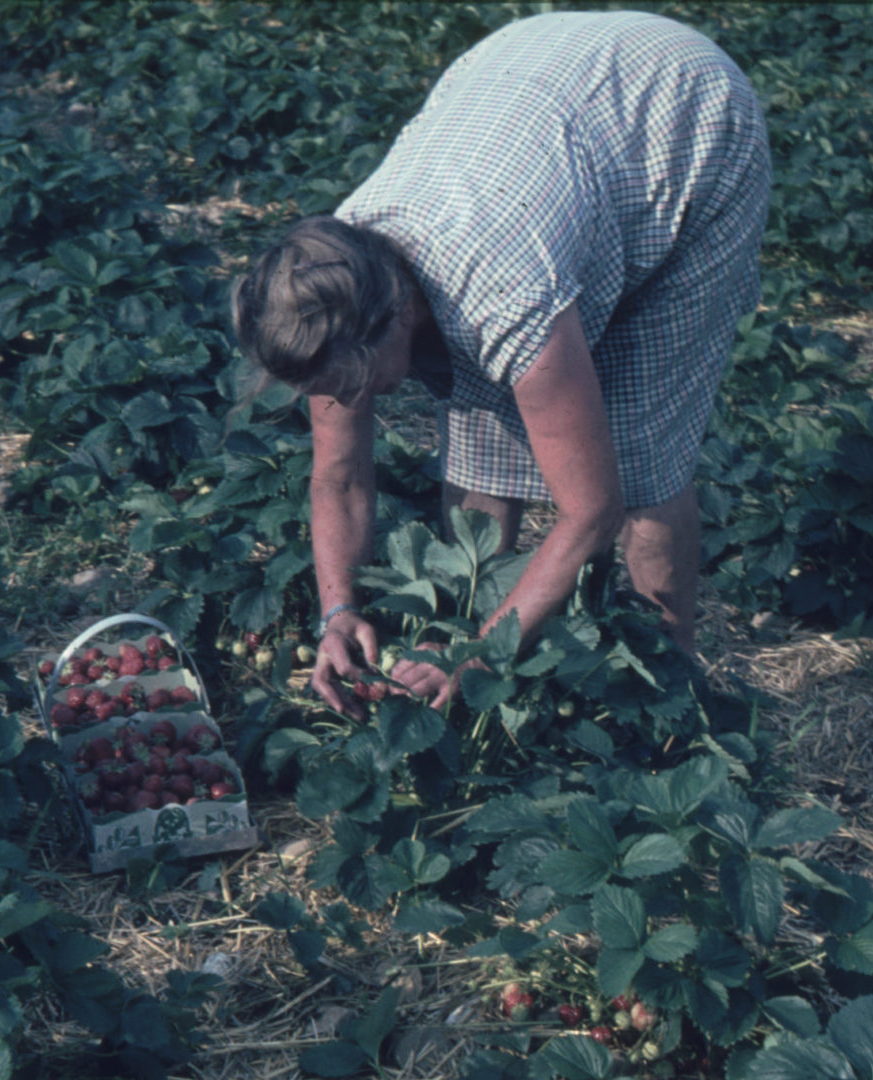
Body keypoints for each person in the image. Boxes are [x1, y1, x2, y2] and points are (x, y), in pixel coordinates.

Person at [231, 10, 769, 717]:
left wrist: (480, 658)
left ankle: (667, 688)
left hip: (679, 114)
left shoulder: (504, 296)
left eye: (352, 384)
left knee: (640, 458)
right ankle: (488, 626)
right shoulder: (328, 288)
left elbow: (591, 511)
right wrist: (338, 609)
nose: (343, 401)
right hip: (526, 85)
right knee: (485, 440)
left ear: (395, 318)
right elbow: (338, 478)